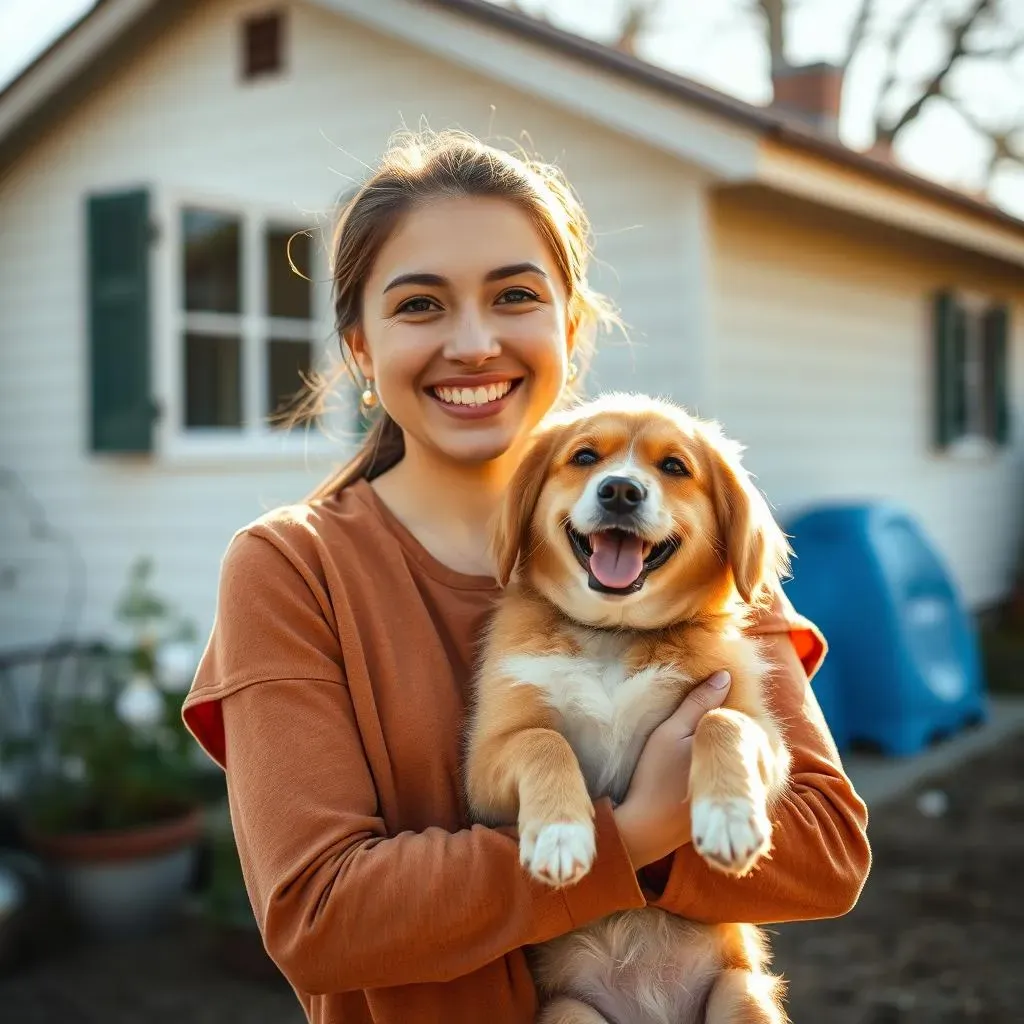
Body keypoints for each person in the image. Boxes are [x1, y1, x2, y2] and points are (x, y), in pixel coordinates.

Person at [182, 129, 870, 1024]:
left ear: (571, 328)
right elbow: (320, 916)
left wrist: (687, 806)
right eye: (419, 305)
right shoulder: (293, 568)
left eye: (514, 296)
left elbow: (828, 858)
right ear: (358, 347)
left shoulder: (685, 551)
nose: (473, 344)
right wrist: (640, 832)